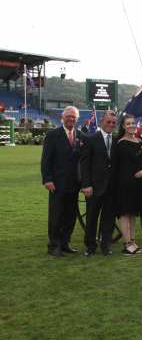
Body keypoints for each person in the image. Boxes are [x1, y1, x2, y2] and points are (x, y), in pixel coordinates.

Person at [41, 106, 83, 257]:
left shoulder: (80, 135)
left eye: (74, 117)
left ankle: (65, 243)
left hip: (74, 184)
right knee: (56, 216)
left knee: (70, 216)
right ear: (62, 117)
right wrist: (47, 179)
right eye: (69, 116)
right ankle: (53, 246)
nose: (71, 119)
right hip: (57, 184)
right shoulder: (53, 135)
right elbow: (46, 160)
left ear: (77, 119)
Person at [115, 114, 142, 255]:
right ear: (123, 126)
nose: (132, 126)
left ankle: (133, 241)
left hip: (138, 181)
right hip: (125, 182)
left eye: (133, 123)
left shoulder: (137, 139)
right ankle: (127, 244)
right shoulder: (121, 143)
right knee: (125, 213)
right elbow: (137, 155)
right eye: (128, 124)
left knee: (133, 213)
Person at [80, 110, 118, 256]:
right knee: (91, 218)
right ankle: (90, 247)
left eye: (113, 123)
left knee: (109, 219)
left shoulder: (116, 141)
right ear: (102, 122)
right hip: (94, 187)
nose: (111, 125)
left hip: (111, 187)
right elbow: (85, 165)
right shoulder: (91, 139)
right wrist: (86, 185)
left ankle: (106, 246)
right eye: (108, 122)